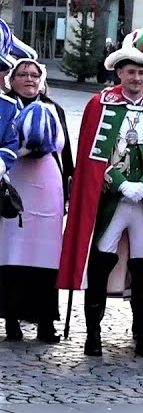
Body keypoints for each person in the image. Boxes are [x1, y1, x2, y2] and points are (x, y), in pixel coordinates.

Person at [57, 28, 143, 360]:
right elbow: (91, 159)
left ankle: (142, 336)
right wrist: (119, 182)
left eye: (142, 72)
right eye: (131, 71)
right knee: (100, 263)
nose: (136, 78)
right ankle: (93, 334)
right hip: (112, 201)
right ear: (119, 72)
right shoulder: (99, 104)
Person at [1, 52, 72, 343]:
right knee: (11, 254)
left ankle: (45, 320)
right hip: (15, 184)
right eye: (22, 75)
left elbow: (66, 154)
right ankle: (11, 319)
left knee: (46, 257)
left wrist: (70, 191)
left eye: (34, 75)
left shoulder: (53, 109)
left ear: (41, 80)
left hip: (47, 188)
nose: (29, 79)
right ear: (11, 80)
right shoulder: (5, 109)